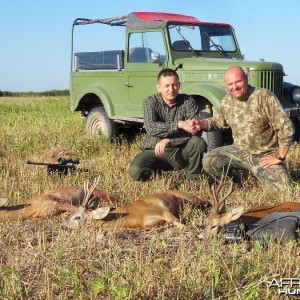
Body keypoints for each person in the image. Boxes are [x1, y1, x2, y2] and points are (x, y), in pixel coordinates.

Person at [198, 65, 295, 191]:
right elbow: (220, 122)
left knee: (283, 187)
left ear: (246, 79)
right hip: (239, 151)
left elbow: (286, 127)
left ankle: (265, 174)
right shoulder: (227, 101)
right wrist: (201, 124)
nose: (235, 87)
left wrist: (280, 157)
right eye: (230, 84)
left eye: (238, 81)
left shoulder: (264, 97)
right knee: (209, 160)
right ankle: (234, 185)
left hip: (264, 154)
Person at [129, 68, 207, 181]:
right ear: (159, 87)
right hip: (154, 149)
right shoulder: (150, 102)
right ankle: (155, 176)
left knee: (198, 143)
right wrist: (179, 124)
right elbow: (151, 127)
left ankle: (193, 180)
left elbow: (194, 129)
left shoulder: (188, 101)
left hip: (180, 150)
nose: (171, 89)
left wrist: (168, 140)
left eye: (174, 85)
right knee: (135, 170)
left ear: (179, 85)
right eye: (167, 86)